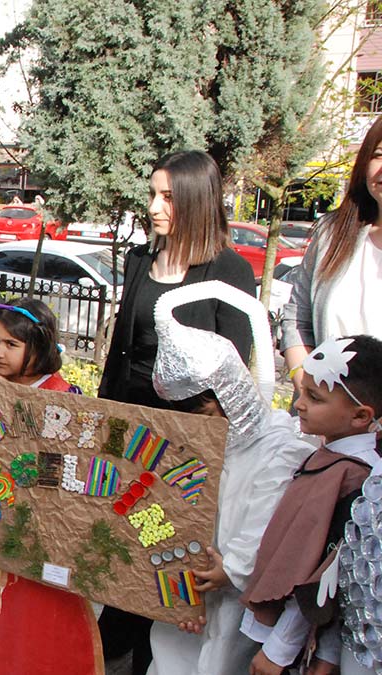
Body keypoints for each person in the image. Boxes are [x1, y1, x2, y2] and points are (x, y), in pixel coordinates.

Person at [96, 149, 256, 674]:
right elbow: (121, 350)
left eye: (166, 196)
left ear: (194, 199)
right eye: (152, 194)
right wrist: (102, 422)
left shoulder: (227, 270)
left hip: (186, 441)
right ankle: (108, 647)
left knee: (163, 553)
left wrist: (202, 437)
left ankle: (145, 659)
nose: (155, 206)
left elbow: (231, 368)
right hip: (130, 428)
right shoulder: (142, 258)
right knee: (121, 544)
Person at [144, 280, 310, 675]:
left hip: (240, 596)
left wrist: (232, 568)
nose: (195, 428)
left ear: (228, 396)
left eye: (202, 417)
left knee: (224, 661)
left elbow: (267, 519)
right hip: (191, 592)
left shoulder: (279, 447)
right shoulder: (188, 450)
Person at [0, 298, 103, 675]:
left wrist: (13, 397)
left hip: (38, 534)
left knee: (32, 621)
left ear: (40, 346)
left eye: (11, 345)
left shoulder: (67, 395)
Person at [239, 335, 382, 675]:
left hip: (306, 643)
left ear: (360, 416)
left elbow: (323, 577)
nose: (299, 404)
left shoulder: (354, 480)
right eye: (302, 391)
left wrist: (279, 649)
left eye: (314, 397)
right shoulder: (331, 457)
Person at [280, 115, 382, 392]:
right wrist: (308, 389)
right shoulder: (332, 233)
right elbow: (297, 316)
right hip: (323, 426)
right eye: (379, 155)